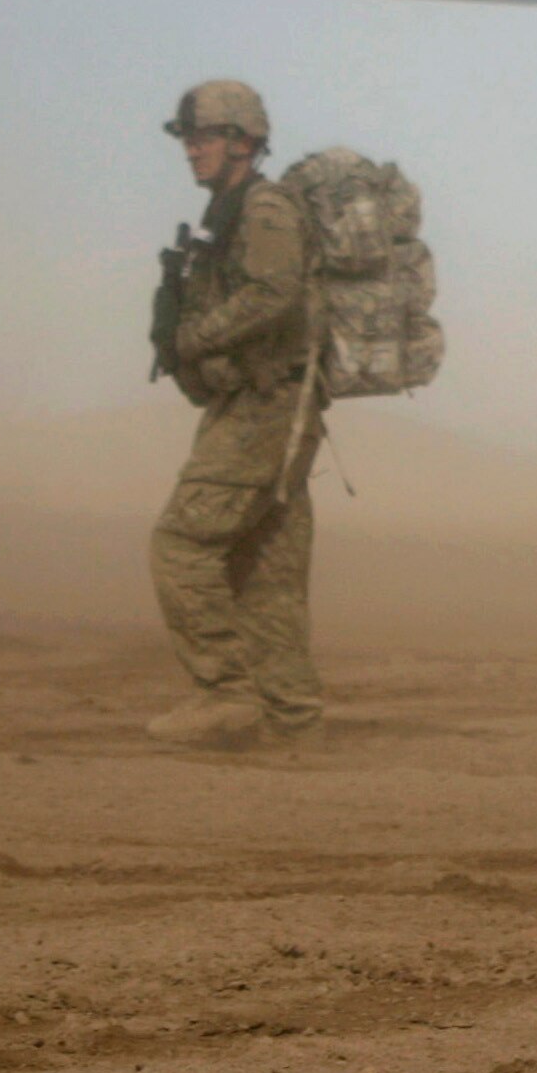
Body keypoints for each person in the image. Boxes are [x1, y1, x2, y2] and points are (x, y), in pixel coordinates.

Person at [146, 80, 325, 750]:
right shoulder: (227, 210)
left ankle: (225, 691)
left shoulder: (264, 208)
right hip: (273, 408)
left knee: (182, 543)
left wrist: (196, 338)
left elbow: (274, 291)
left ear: (244, 141)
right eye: (189, 137)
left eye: (207, 135)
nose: (192, 148)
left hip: (263, 408)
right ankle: (295, 729)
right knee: (266, 575)